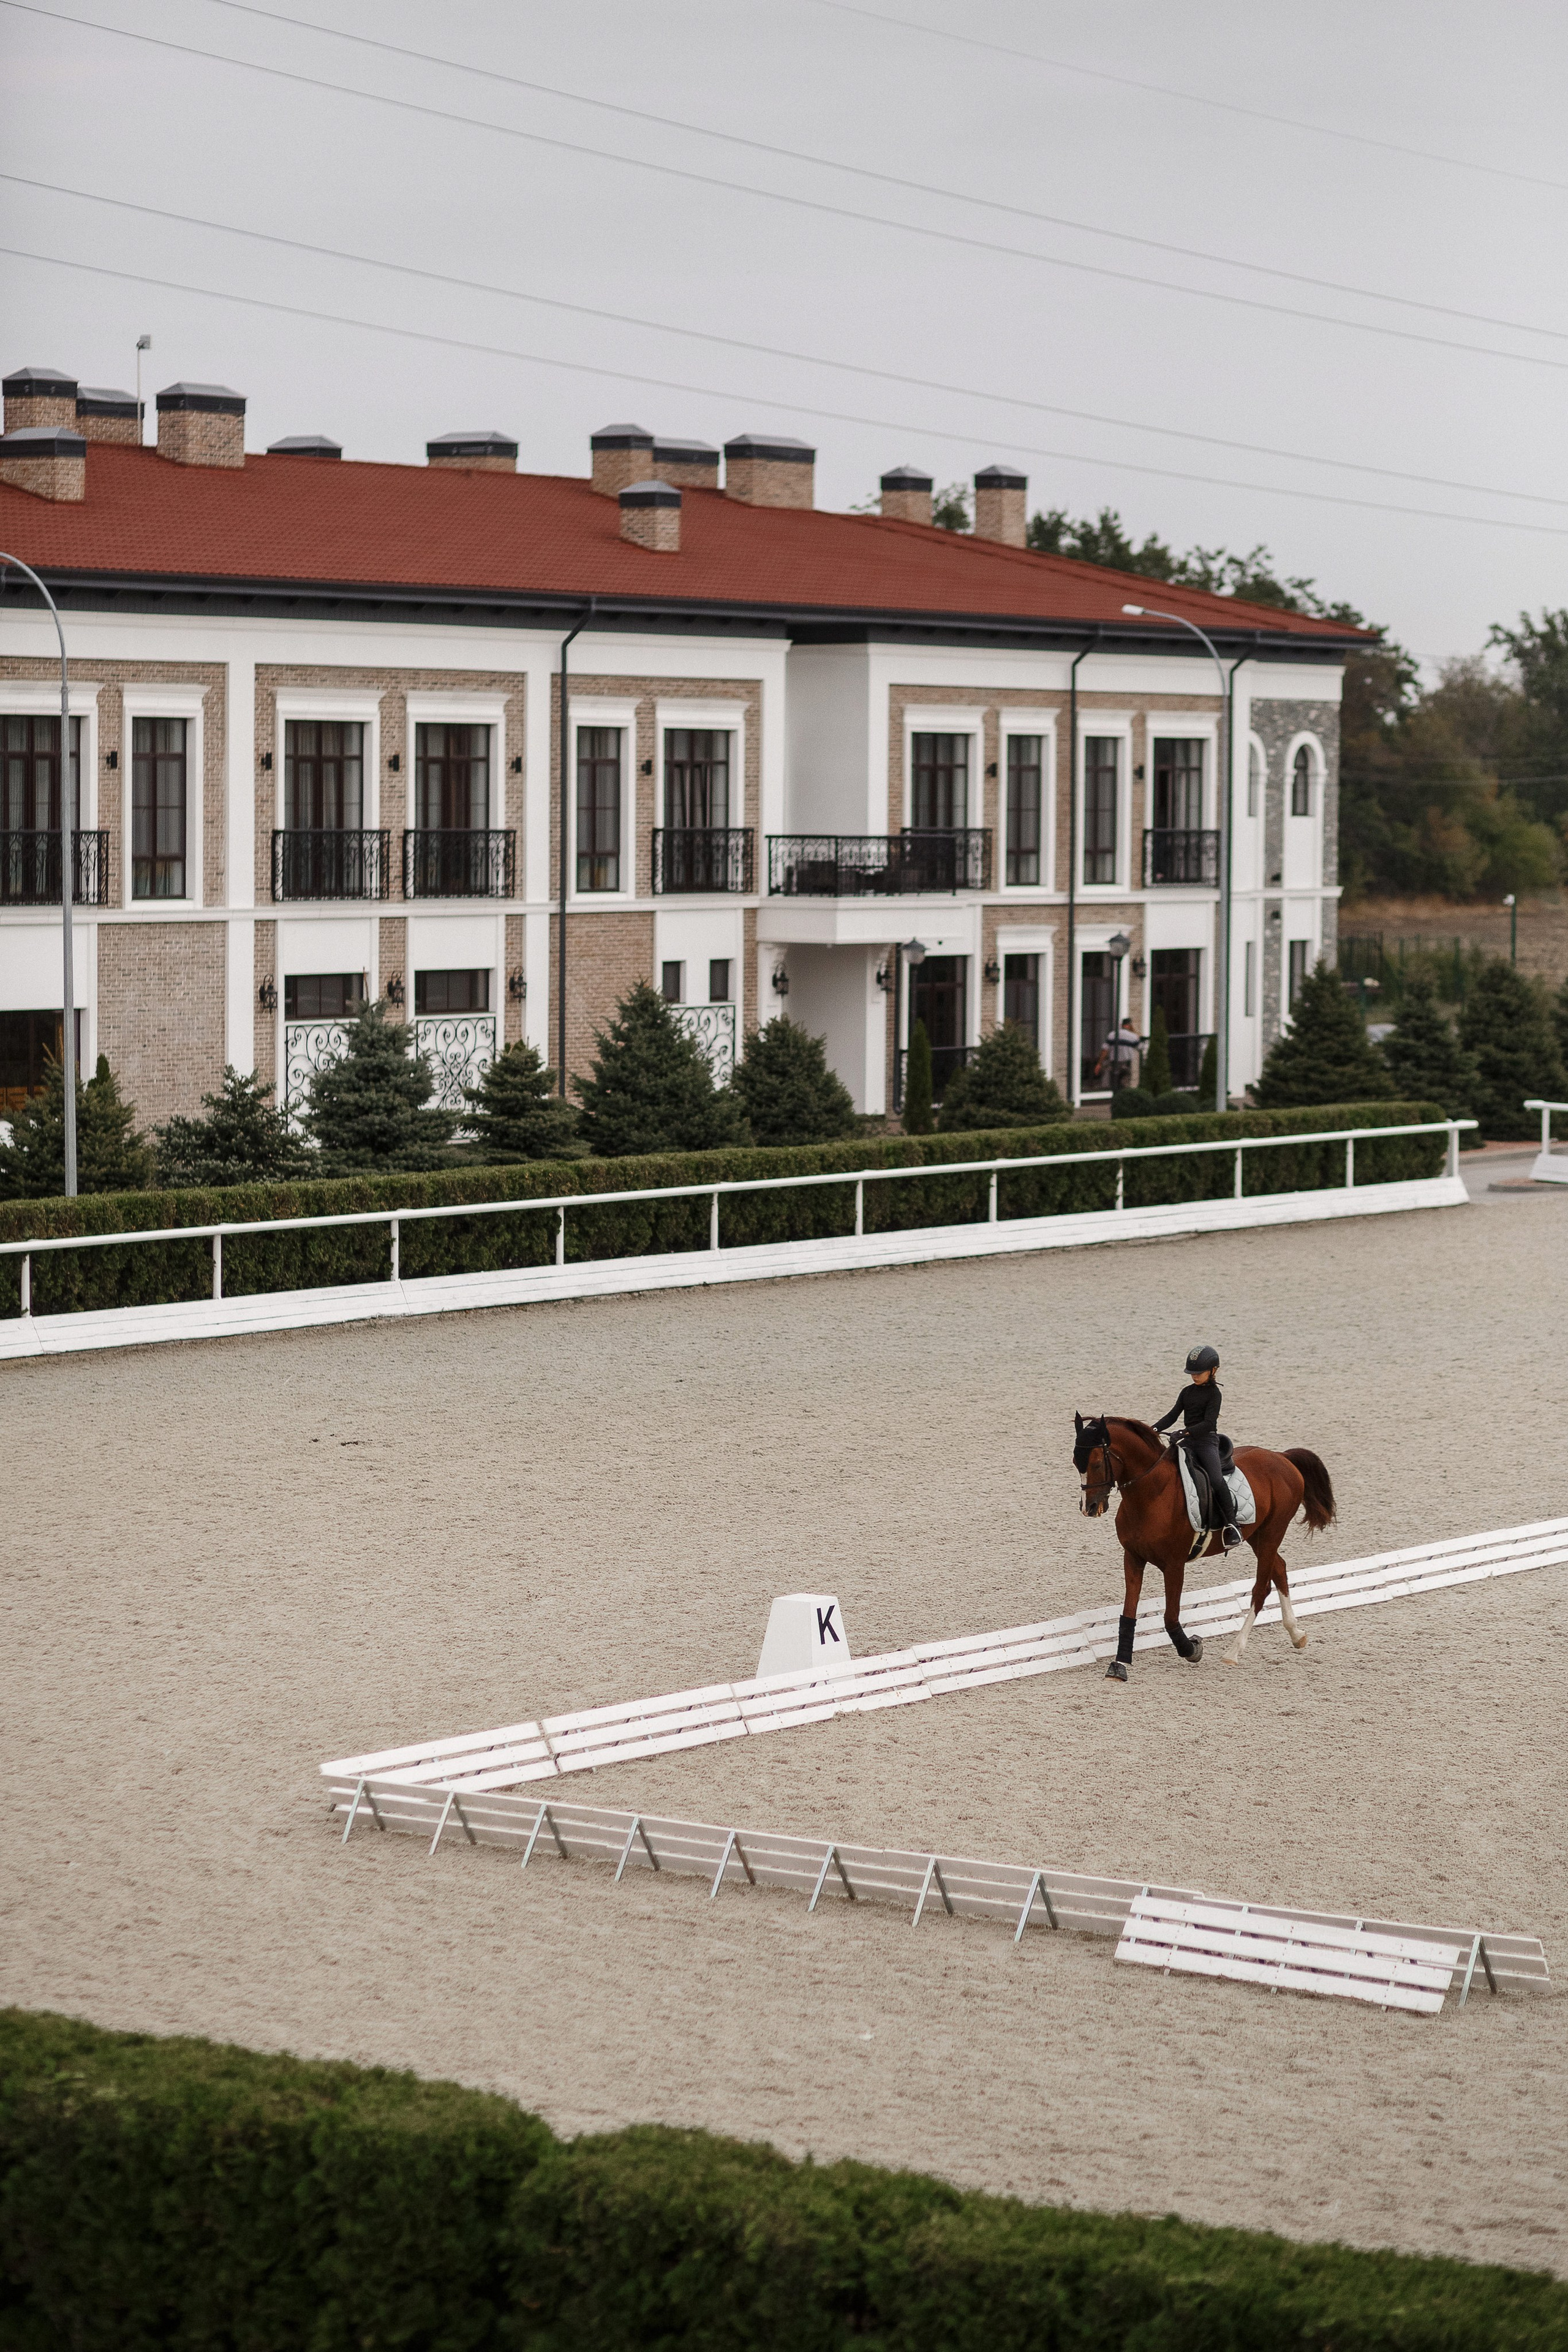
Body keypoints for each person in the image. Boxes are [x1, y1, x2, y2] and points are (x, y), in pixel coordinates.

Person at [1154, 1344, 1242, 1548]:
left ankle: (1232, 1524)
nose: (1194, 1376)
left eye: (1198, 1373)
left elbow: (1209, 1424)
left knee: (1216, 1478)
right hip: (1188, 1441)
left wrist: (1184, 1432)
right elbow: (1172, 1415)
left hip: (1206, 1442)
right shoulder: (1186, 1392)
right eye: (1191, 1373)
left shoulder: (1214, 1395)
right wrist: (1154, 1429)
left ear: (1213, 1371)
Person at [1096, 1019, 1145, 1091]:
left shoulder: (1112, 1035)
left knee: (1115, 1085)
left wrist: (1099, 1064)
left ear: (1122, 1025)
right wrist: (1135, 1033)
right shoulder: (1133, 1036)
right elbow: (1141, 1047)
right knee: (1125, 1085)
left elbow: (1105, 1050)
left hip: (1114, 1063)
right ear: (1129, 1025)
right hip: (1126, 1063)